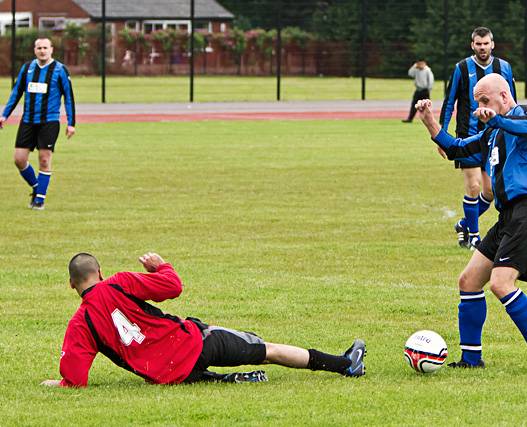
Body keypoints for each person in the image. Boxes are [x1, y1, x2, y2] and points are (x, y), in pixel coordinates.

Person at [40, 252, 366, 387]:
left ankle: (226, 380)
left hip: (167, 376)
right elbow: (173, 287)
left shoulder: (80, 323)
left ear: (72, 284)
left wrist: (62, 383)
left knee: (198, 376)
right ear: (99, 272)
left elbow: (76, 375)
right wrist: (161, 265)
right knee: (267, 348)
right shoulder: (119, 282)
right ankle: (344, 364)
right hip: (194, 344)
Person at [416, 73, 527, 376]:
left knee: (501, 283)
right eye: (477, 101)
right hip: (508, 216)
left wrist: (495, 120)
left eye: (484, 100)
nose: (480, 107)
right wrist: (428, 120)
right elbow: (455, 148)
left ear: (504, 97)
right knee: (468, 281)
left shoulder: (523, 113)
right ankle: (471, 359)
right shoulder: (490, 135)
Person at [439, 27, 517, 249]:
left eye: (486, 43)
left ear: (492, 44)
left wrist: (513, 128)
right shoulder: (462, 68)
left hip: (494, 136)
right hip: (468, 135)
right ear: (472, 45)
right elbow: (449, 101)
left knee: (490, 191)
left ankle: (464, 223)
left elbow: (512, 101)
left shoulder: (504, 68)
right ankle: (474, 236)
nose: (482, 47)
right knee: (473, 187)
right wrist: (443, 135)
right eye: (478, 44)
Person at [0, 37, 76, 211]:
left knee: (44, 159)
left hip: (49, 122)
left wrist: (71, 123)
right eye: (39, 48)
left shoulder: (60, 70)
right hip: (27, 121)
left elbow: (69, 98)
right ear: (35, 50)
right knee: (19, 159)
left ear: (51, 49)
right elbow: (16, 92)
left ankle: (39, 201)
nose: (42, 50)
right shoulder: (27, 68)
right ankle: (37, 187)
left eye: (45, 47)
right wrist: (4, 115)